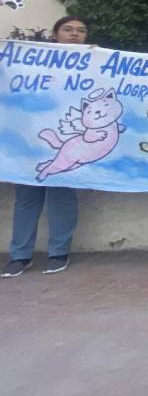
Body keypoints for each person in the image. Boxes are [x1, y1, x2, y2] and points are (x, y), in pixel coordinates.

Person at [1, 16, 90, 277]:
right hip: (27, 141)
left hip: (66, 143)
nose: (75, 34)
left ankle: (59, 252)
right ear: (55, 33)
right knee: (26, 200)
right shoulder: (29, 60)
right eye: (68, 29)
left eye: (81, 30)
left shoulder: (94, 64)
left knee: (62, 197)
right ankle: (20, 256)